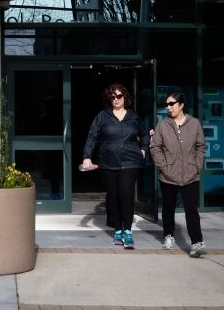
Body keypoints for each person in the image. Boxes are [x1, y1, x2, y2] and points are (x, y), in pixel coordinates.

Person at [81, 83, 150, 249]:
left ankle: (128, 231)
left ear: (125, 97)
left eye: (119, 96)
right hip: (108, 163)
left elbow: (145, 133)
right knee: (113, 197)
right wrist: (86, 157)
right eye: (112, 97)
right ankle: (118, 230)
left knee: (126, 195)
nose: (116, 99)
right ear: (109, 99)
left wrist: (143, 150)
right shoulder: (103, 116)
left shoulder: (134, 117)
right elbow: (92, 137)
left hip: (130, 162)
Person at [150, 92, 208, 258]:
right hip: (168, 176)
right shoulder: (162, 125)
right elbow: (155, 148)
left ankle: (197, 243)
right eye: (166, 104)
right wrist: (164, 166)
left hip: (190, 175)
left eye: (172, 104)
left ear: (181, 105)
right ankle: (169, 236)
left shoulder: (194, 123)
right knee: (168, 209)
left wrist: (196, 166)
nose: (168, 107)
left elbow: (201, 146)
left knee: (191, 210)